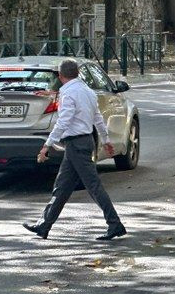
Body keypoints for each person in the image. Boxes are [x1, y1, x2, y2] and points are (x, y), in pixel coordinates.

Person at [22, 59, 127, 242]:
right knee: (61, 187)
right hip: (83, 143)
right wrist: (106, 139)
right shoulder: (87, 92)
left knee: (93, 186)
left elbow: (64, 121)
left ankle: (114, 223)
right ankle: (44, 225)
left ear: (61, 76)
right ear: (77, 73)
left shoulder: (68, 93)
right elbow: (98, 118)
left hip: (76, 145)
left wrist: (47, 145)